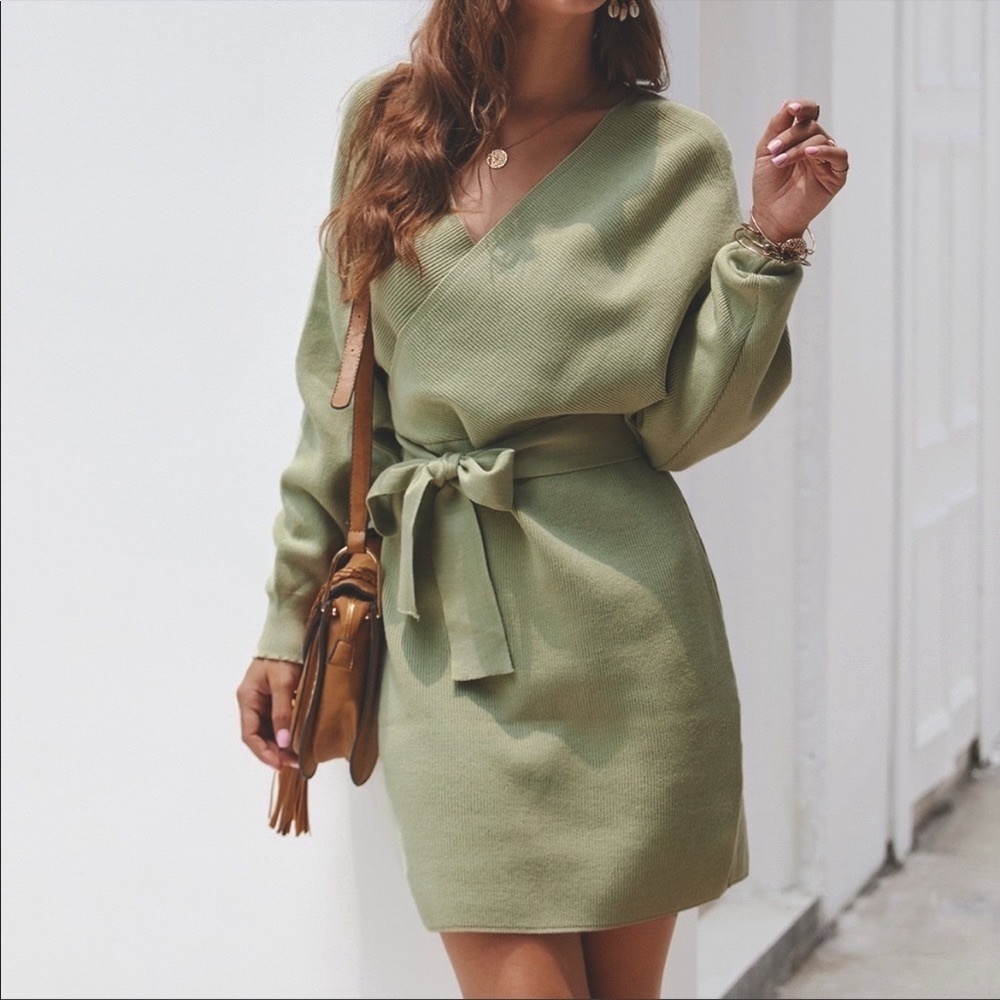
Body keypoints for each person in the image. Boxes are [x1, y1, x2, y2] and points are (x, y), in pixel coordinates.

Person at [236, 0, 849, 997]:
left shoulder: (675, 154)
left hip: (628, 642)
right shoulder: (385, 123)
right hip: (446, 638)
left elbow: (683, 429)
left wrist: (769, 245)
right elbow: (337, 402)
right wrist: (286, 616)